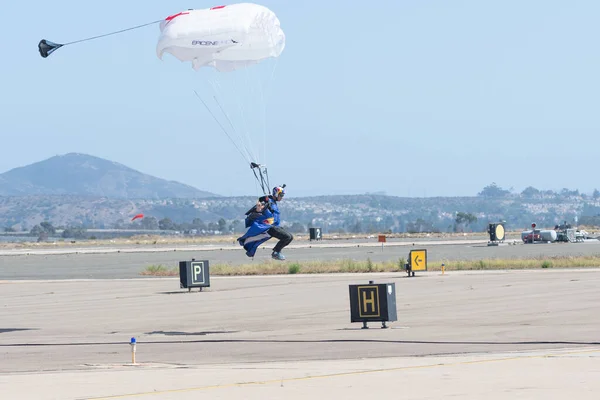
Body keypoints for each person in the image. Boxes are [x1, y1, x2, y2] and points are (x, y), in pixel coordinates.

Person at [237, 185, 294, 260]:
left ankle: (277, 252)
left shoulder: (272, 201)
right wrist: (259, 209)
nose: (282, 197)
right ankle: (276, 252)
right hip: (269, 228)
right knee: (287, 237)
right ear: (276, 194)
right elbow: (259, 208)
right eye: (281, 195)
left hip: (275, 226)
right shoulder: (267, 201)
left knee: (290, 237)